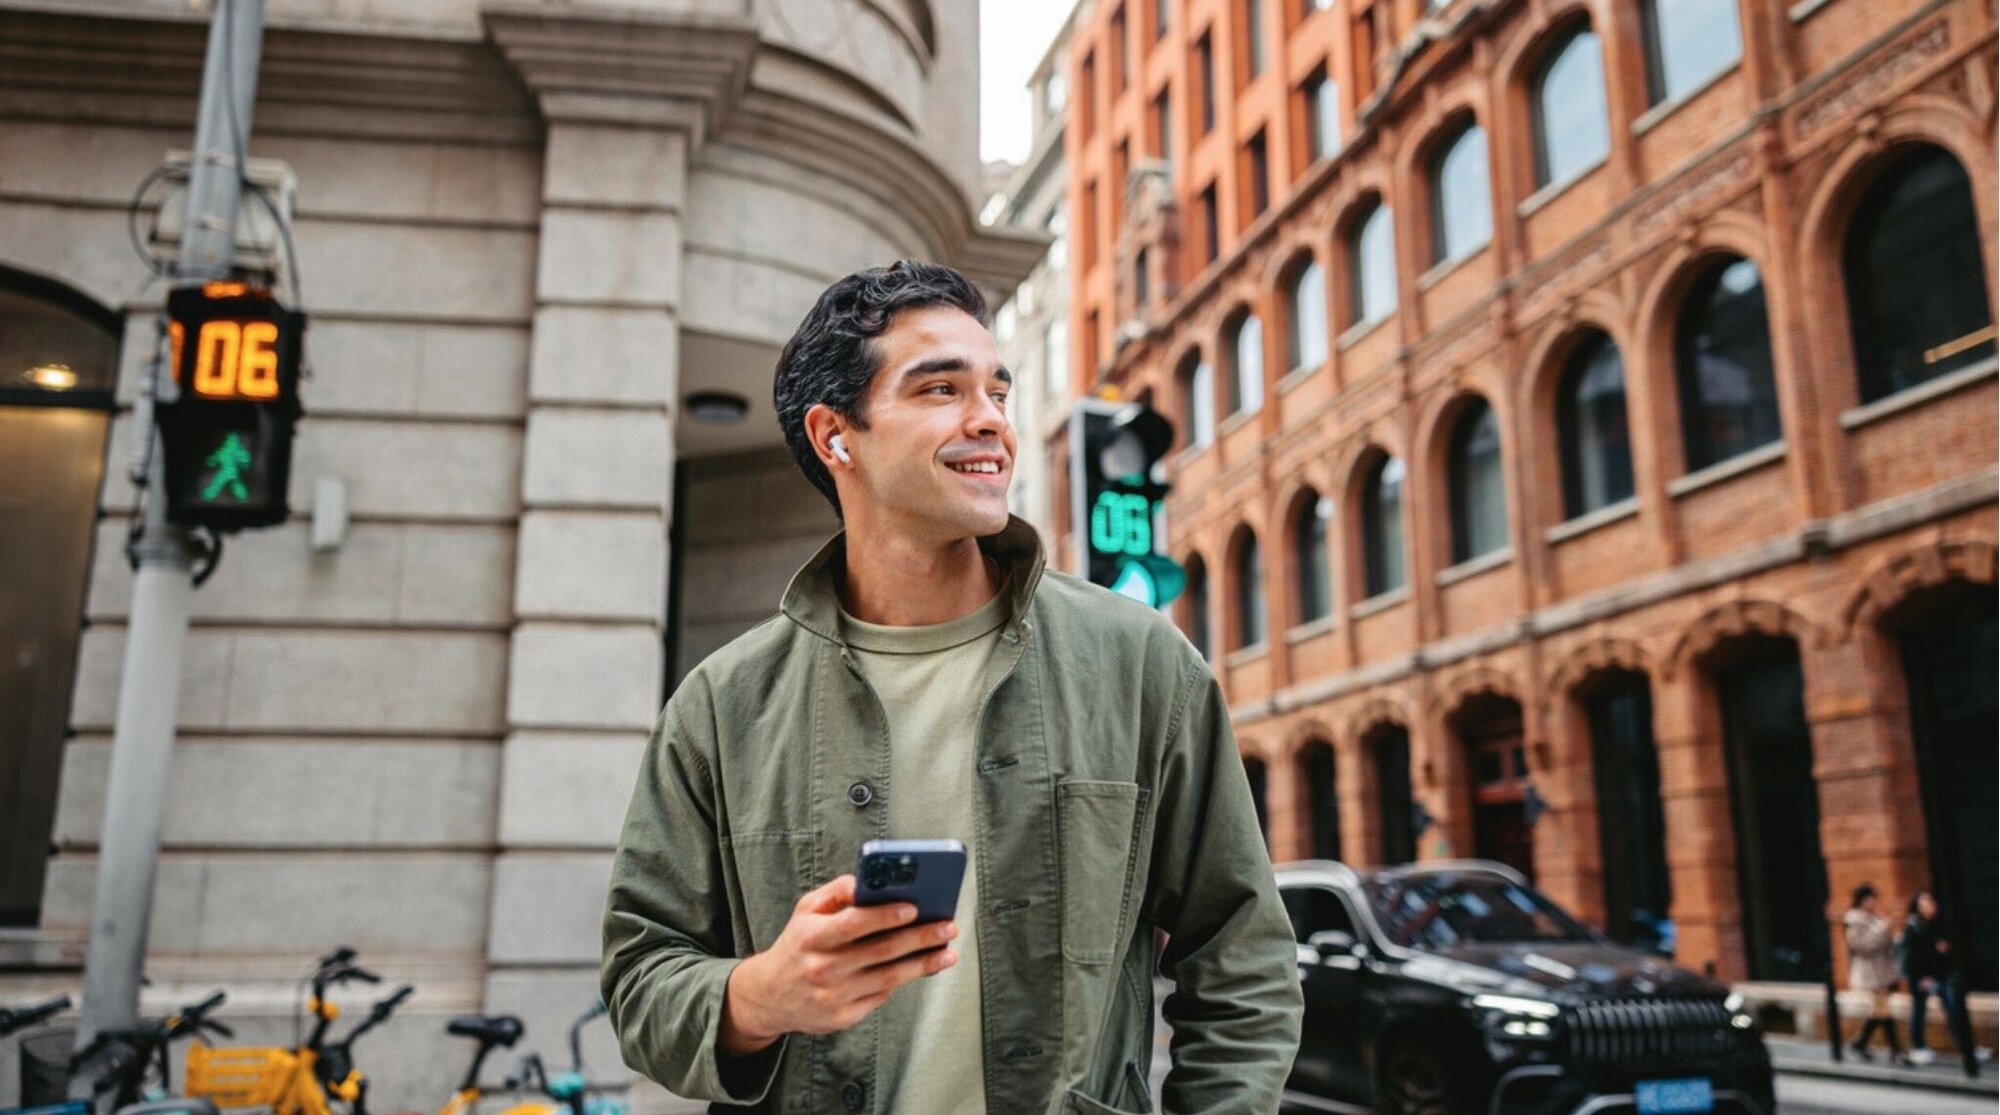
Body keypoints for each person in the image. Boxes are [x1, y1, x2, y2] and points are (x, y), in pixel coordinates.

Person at [600, 262, 1303, 1114]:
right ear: (836, 436)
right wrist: (761, 993)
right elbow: (642, 976)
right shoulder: (721, 706)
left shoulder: (1141, 663)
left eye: (997, 392)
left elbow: (1243, 958)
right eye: (941, 388)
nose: (990, 423)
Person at [1902, 890, 1980, 1078]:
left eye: (1931, 901)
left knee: (1954, 1009)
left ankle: (1966, 1047)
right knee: (1920, 1011)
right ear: (1917, 907)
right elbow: (1915, 955)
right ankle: (1918, 1046)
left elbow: (1944, 947)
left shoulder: (1938, 923)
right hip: (1921, 977)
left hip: (1941, 975)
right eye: (1925, 903)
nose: (1930, 905)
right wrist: (1924, 974)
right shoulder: (1914, 927)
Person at [1844, 884, 1908, 1066]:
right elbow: (1862, 946)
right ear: (1861, 901)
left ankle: (1860, 1043)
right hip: (1869, 972)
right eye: (1869, 899)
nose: (1872, 903)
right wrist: (1881, 929)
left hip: (1882, 970)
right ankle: (1896, 1051)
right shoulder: (1855, 921)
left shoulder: (1876, 918)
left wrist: (1889, 930)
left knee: (1879, 1011)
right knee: (1884, 1011)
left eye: (1874, 899)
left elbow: (1885, 943)